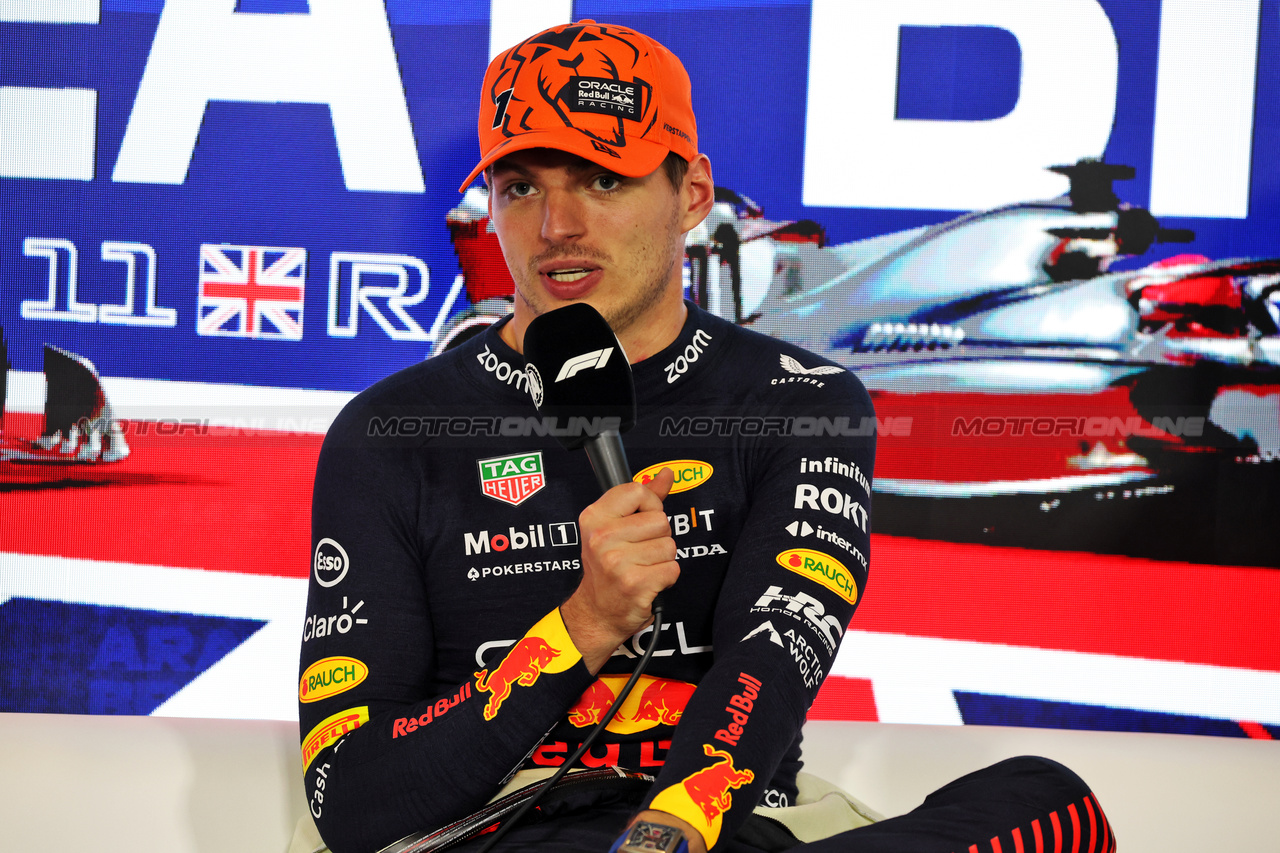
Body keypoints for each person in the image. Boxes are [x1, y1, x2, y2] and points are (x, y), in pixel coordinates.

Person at [299, 20, 1115, 853]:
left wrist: (668, 833)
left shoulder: (799, 403)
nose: (557, 227)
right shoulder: (389, 431)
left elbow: (768, 663)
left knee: (1050, 802)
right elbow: (355, 800)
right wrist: (581, 623)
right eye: (522, 188)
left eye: (602, 180)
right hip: (500, 830)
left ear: (691, 193)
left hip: (713, 823)